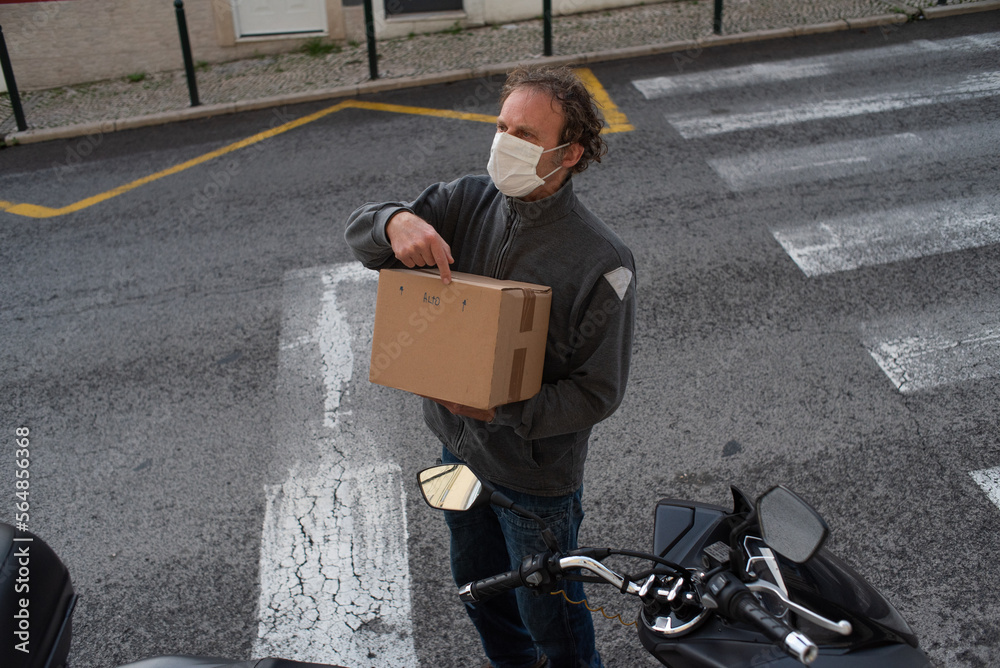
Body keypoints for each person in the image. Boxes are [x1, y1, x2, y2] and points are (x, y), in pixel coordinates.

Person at [345, 65, 635, 668]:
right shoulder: (462, 201)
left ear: (569, 154)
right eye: (501, 125)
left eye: (525, 135)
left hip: (535, 487)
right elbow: (363, 233)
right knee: (479, 595)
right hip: (456, 458)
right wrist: (395, 222)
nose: (504, 142)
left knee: (551, 620)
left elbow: (597, 393)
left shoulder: (602, 260)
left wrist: (502, 408)